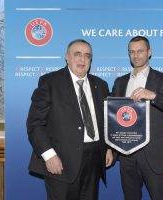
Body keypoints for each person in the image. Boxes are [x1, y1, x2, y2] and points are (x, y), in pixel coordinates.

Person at [26, 39, 113, 200]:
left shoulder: (100, 85)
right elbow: (35, 123)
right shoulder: (50, 82)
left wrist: (108, 147)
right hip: (61, 162)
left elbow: (107, 121)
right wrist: (48, 155)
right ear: (67, 57)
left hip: (94, 160)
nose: (82, 59)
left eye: (87, 56)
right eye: (77, 54)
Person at [112, 36, 163, 200]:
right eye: (131, 52)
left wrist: (153, 96)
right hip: (127, 155)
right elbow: (113, 118)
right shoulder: (120, 82)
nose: (135, 55)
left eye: (140, 51)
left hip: (155, 156)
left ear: (149, 52)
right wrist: (111, 147)